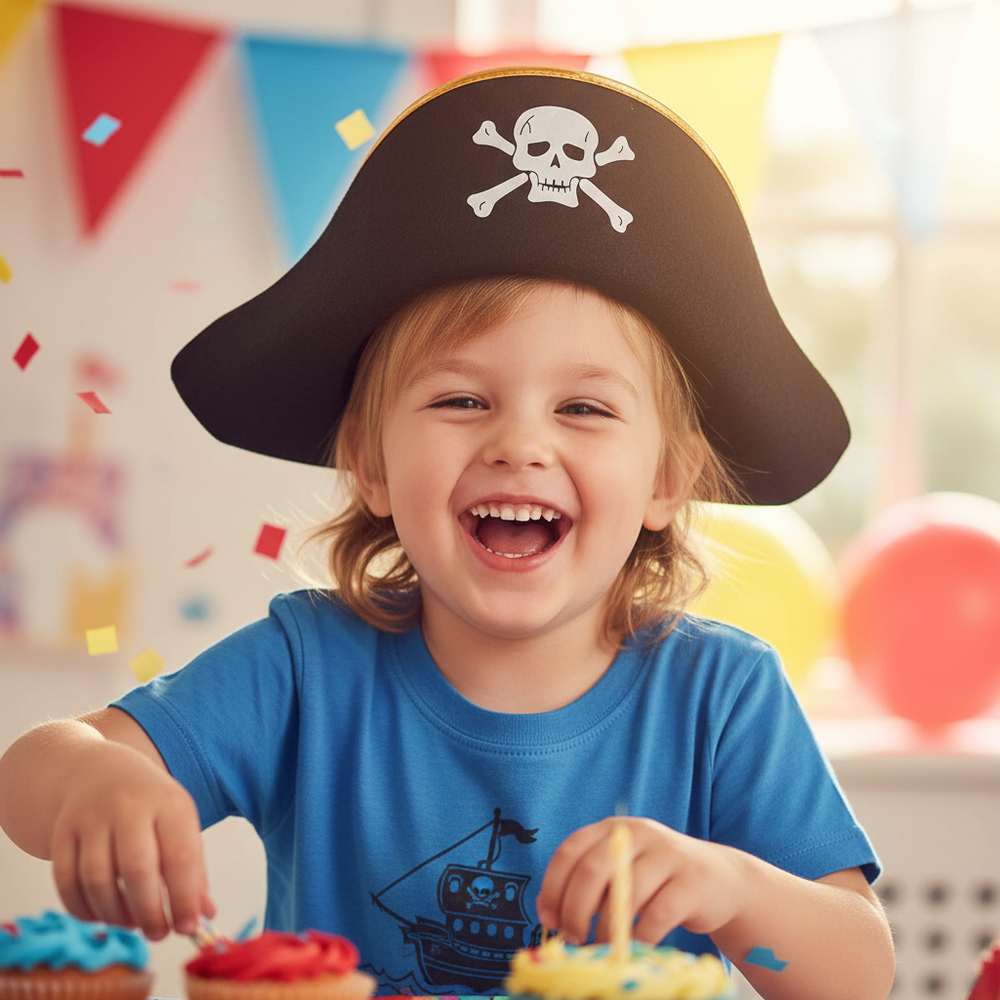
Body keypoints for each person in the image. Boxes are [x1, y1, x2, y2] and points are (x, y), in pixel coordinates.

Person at [0, 68, 893, 1000]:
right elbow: (27, 774)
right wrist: (95, 782)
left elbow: (859, 975)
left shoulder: (721, 697)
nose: (519, 443)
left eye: (584, 408)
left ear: (667, 479)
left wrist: (733, 887)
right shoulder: (306, 669)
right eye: (461, 400)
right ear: (370, 462)